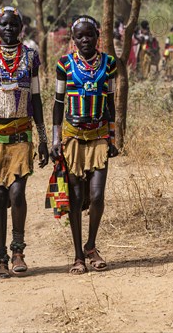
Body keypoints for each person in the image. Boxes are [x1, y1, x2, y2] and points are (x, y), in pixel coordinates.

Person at [0, 6, 49, 278]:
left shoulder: (30, 57)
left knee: (17, 192)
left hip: (21, 135)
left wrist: (43, 138)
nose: (8, 29)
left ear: (21, 27)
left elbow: (36, 98)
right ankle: (0, 257)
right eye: (4, 25)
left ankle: (18, 249)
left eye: (13, 24)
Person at [50, 15, 118, 274]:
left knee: (97, 195)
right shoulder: (64, 64)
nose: (85, 40)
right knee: (77, 198)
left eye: (90, 35)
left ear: (97, 36)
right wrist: (56, 138)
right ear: (73, 39)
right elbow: (58, 103)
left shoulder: (109, 64)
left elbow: (110, 101)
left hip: (99, 134)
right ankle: (78, 255)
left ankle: (91, 245)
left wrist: (112, 137)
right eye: (80, 36)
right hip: (73, 137)